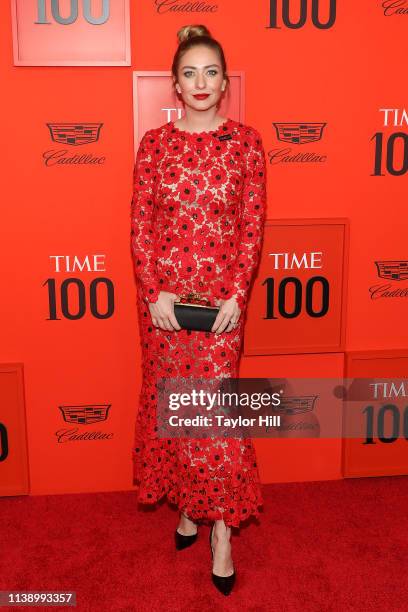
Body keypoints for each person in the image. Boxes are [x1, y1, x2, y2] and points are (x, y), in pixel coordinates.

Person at [130, 23, 267, 596]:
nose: (201, 82)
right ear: (175, 85)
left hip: (221, 307)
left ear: (224, 82)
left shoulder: (247, 143)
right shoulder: (155, 146)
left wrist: (236, 293)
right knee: (175, 407)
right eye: (190, 73)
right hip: (163, 305)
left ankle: (221, 534)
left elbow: (251, 226)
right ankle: (189, 505)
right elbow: (140, 224)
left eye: (212, 71)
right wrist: (153, 291)